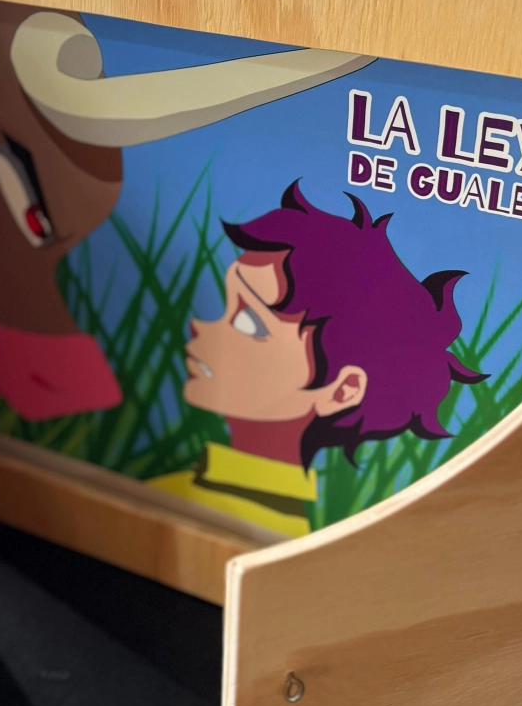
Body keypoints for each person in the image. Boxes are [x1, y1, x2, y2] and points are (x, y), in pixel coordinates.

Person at [149, 182, 487, 536]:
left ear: (342, 390)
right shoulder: (187, 490)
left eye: (250, 322)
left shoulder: (266, 529)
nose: (199, 325)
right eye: (226, 305)